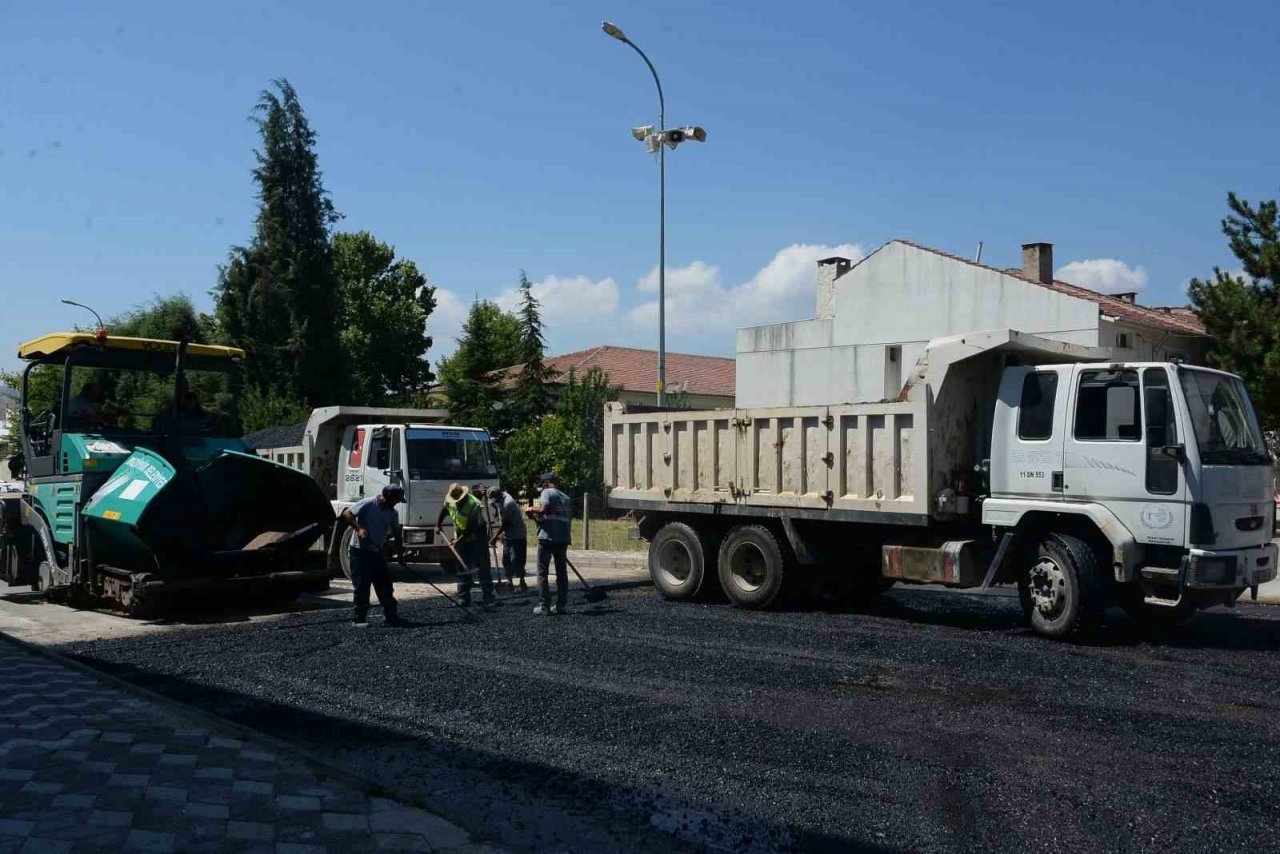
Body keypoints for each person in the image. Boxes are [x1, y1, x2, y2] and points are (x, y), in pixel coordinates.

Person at [339, 484, 406, 628]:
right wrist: (359, 529)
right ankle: (359, 618)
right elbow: (347, 514)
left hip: (377, 551)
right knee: (362, 585)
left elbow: (396, 532)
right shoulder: (369, 504)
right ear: (387, 497)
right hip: (360, 551)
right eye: (396, 500)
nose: (397, 503)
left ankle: (391, 617)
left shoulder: (392, 513)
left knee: (385, 584)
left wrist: (400, 551)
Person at [435, 483, 495, 607]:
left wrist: (459, 540)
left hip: (477, 535)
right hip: (460, 533)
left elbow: (470, 528)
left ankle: (488, 597)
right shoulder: (450, 499)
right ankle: (463, 598)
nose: (457, 503)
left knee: (482, 566)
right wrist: (438, 524)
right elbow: (445, 510)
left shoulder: (474, 505)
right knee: (461, 567)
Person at [525, 471, 571, 616]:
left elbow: (543, 509)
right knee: (561, 573)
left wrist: (530, 509)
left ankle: (544, 606)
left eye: (542, 485)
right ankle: (561, 605)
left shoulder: (547, 492)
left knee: (542, 573)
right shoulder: (566, 497)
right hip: (562, 538)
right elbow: (549, 518)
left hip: (547, 539)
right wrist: (534, 517)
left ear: (545, 483)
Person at [489, 486, 528, 592]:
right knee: (506, 559)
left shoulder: (508, 503)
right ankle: (510, 583)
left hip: (518, 534)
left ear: (498, 495)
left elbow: (505, 523)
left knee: (517, 559)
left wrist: (495, 537)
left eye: (495, 499)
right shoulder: (500, 497)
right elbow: (495, 504)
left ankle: (522, 581)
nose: (494, 502)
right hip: (508, 535)